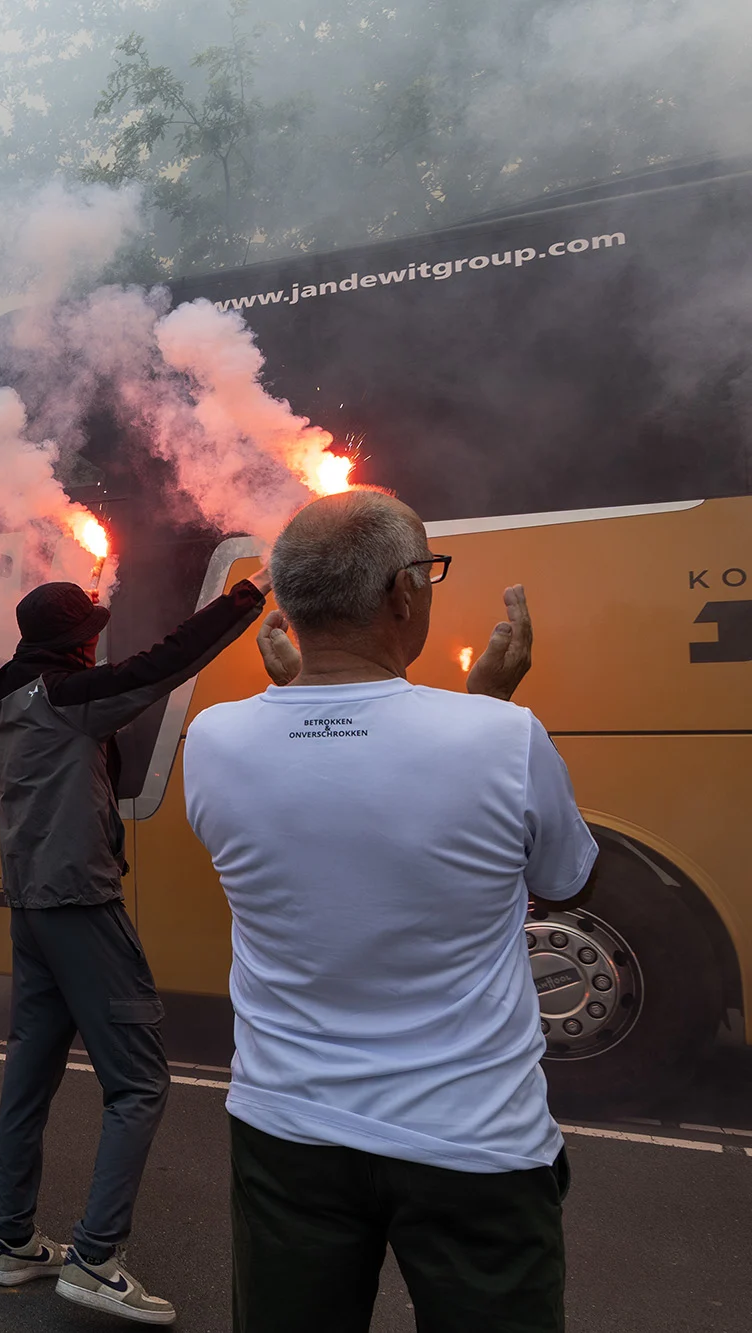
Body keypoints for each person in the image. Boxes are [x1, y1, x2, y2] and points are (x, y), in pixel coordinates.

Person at [184, 489, 588, 1333]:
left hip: (287, 1132)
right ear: (405, 592)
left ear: (288, 608)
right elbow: (565, 876)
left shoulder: (216, 743)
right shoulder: (499, 738)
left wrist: (302, 699)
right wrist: (492, 705)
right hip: (474, 1141)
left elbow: (321, 782)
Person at [0, 572, 268, 1324]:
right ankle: (94, 1256)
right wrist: (245, 595)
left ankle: (14, 1243)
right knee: (140, 1082)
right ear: (75, 642)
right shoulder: (67, 698)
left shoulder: (6, 697)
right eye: (89, 632)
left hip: (31, 907)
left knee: (29, 1077)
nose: (97, 641)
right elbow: (164, 663)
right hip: (79, 903)